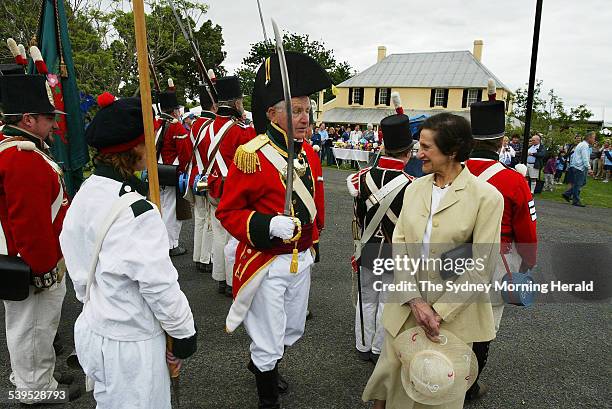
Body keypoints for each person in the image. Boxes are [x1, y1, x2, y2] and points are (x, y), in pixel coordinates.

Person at [60, 95, 197, 408]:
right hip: (131, 344)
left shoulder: (88, 190)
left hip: (94, 327)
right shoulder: (138, 211)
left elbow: (73, 252)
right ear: (137, 147)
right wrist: (183, 334)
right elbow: (159, 285)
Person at [362, 113, 503, 409]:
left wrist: (437, 312)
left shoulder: (487, 197)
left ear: (452, 151)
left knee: (434, 394)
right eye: (419, 145)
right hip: (405, 307)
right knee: (387, 386)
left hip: (452, 319)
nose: (418, 153)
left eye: (427, 147)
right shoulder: (414, 188)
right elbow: (398, 244)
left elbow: (482, 265)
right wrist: (415, 300)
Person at [216, 51, 329, 409]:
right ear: (272, 114)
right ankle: (266, 394)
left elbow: (317, 204)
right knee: (267, 334)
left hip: (300, 258)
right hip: (266, 260)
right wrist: (267, 224)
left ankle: (265, 364)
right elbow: (228, 211)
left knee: (291, 328)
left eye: (307, 111)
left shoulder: (309, 153)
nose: (304, 118)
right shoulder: (252, 155)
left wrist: (314, 240)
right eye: (295, 111)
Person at [0, 73, 79, 404]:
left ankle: (34, 373)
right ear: (28, 119)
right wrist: (44, 268)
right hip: (32, 260)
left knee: (31, 327)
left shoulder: (20, 149)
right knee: (32, 327)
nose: (53, 125)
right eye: (48, 118)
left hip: (25, 256)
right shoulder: (22, 157)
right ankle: (35, 390)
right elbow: (30, 223)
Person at [465, 95, 537, 400]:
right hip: (497, 258)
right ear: (501, 141)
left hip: (449, 254)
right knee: (483, 324)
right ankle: (469, 384)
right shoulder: (513, 180)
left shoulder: (450, 171)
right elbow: (527, 232)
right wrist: (529, 262)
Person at [347, 95, 415, 365]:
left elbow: (357, 217)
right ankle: (378, 349)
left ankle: (362, 344)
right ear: (407, 152)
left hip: (366, 248)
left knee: (366, 300)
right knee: (388, 302)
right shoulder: (412, 184)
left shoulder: (361, 178)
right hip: (393, 252)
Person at [200, 76, 256, 296]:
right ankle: (233, 282)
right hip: (233, 189)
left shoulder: (206, 128)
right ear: (236, 102)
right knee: (235, 237)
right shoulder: (242, 130)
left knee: (218, 234)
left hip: (212, 185)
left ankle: (221, 278)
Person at [155, 79, 190, 256]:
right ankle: (170, 244)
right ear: (175, 109)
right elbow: (185, 153)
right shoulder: (176, 127)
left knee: (160, 207)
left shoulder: (156, 122)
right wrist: (184, 172)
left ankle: (160, 241)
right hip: (172, 171)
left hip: (157, 170)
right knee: (171, 210)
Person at [185, 83, 217, 273]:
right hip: (207, 176)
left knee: (199, 217)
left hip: (195, 175)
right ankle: (206, 258)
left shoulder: (194, 124)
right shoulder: (212, 126)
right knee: (210, 219)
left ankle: (198, 255)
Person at [562, 132, 596, 207]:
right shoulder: (584, 146)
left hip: (576, 166)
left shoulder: (581, 144)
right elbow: (585, 158)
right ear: (589, 138)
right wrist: (589, 168)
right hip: (579, 167)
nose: (594, 140)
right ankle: (575, 200)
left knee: (582, 182)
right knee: (578, 184)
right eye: (593, 138)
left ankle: (567, 194)